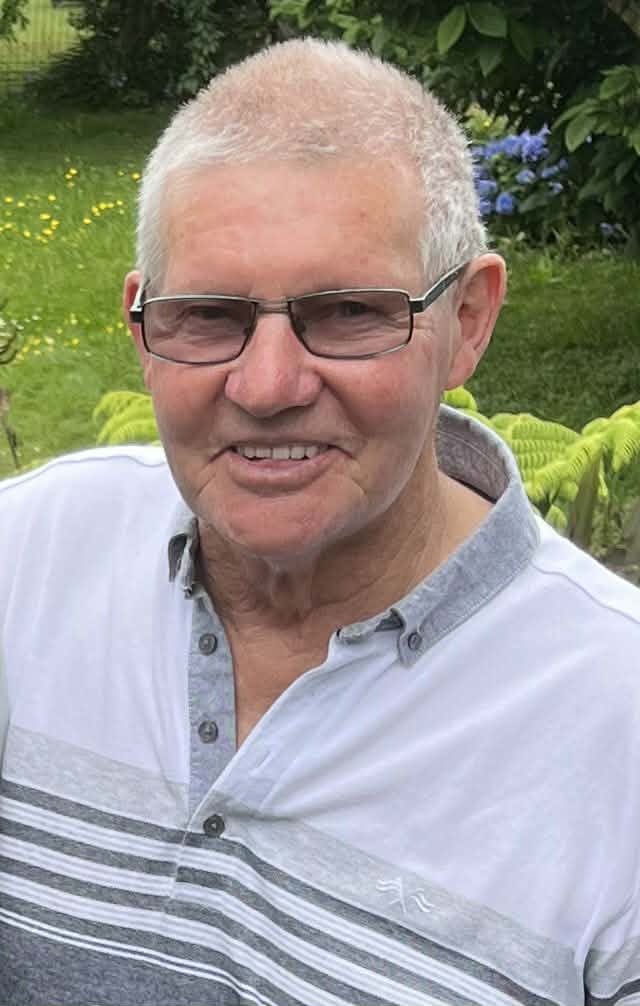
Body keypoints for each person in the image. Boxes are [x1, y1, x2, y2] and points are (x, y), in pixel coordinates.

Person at [1, 38, 639, 1006]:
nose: (266, 387)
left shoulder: (613, 729)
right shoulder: (31, 556)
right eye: (208, 315)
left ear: (469, 320)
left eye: (346, 312)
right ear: (141, 326)